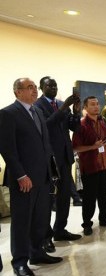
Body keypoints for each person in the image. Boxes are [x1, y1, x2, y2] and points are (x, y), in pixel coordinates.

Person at [0, 78, 63, 276]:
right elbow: (7, 149)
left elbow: (45, 145)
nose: (35, 91)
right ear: (17, 92)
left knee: (40, 218)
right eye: (30, 88)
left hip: (42, 177)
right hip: (24, 180)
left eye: (35, 87)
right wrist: (20, 175)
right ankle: (19, 261)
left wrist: (51, 171)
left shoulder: (37, 111)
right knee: (22, 221)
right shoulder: (8, 113)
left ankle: (36, 252)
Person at [35, 77, 82, 250]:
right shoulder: (38, 105)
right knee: (49, 199)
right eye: (49, 85)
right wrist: (63, 108)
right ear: (41, 88)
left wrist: (76, 112)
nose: (53, 87)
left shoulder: (62, 103)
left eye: (55, 85)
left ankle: (60, 229)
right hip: (49, 158)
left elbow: (74, 128)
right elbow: (46, 126)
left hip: (65, 156)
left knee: (63, 197)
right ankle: (45, 236)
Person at [72, 96, 106, 236]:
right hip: (90, 167)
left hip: (105, 165)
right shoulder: (81, 125)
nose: (96, 107)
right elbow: (76, 148)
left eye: (97, 104)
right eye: (92, 104)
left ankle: (105, 219)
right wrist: (93, 146)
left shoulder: (103, 122)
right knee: (89, 199)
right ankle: (87, 224)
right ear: (85, 108)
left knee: (105, 196)